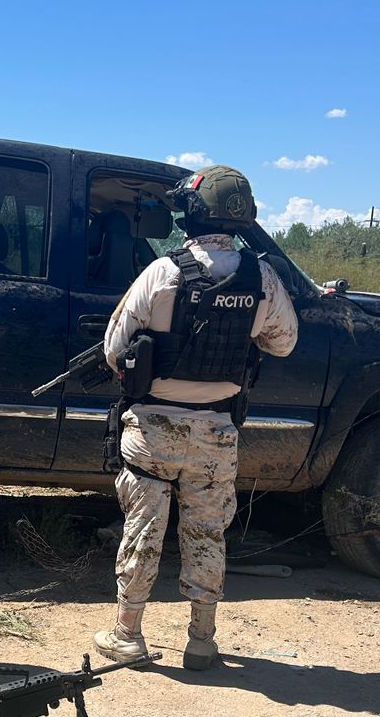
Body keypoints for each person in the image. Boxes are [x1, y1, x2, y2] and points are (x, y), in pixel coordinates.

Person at [92, 166, 298, 670]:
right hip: (216, 430)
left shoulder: (163, 272)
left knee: (143, 531)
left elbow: (115, 350)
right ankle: (202, 639)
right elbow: (284, 343)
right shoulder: (262, 277)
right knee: (207, 534)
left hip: (153, 430)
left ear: (193, 212)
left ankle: (127, 635)